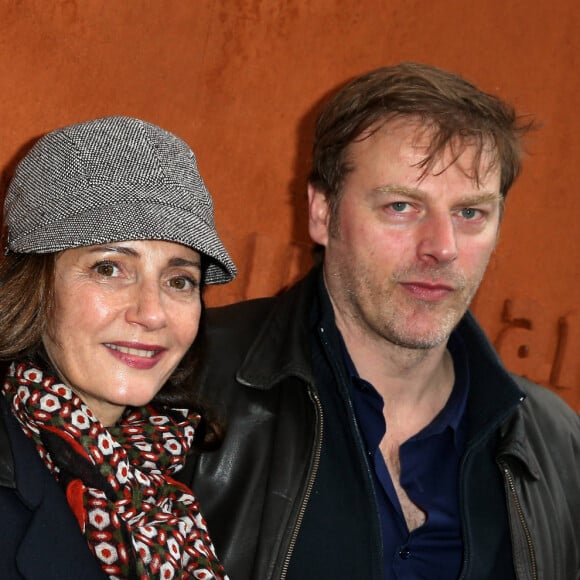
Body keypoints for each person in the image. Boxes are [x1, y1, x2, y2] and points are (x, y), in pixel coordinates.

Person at [182, 63, 580, 579]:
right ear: (322, 213)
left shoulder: (556, 442)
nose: (442, 248)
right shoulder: (187, 384)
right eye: (400, 206)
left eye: (471, 214)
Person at [0, 116, 236, 579]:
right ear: (35, 285)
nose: (152, 313)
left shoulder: (165, 472)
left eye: (179, 280)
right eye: (109, 269)